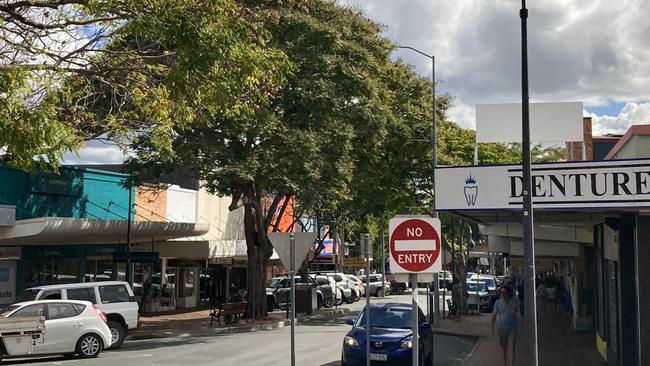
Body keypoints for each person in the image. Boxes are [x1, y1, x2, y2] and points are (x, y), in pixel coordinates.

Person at [492, 286, 518, 366]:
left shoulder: (513, 301)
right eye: (501, 292)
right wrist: (492, 327)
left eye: (504, 292)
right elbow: (494, 315)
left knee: (512, 348)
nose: (502, 294)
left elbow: (514, 311)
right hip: (502, 328)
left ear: (508, 293)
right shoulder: (498, 302)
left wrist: (507, 303)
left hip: (512, 327)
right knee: (504, 348)